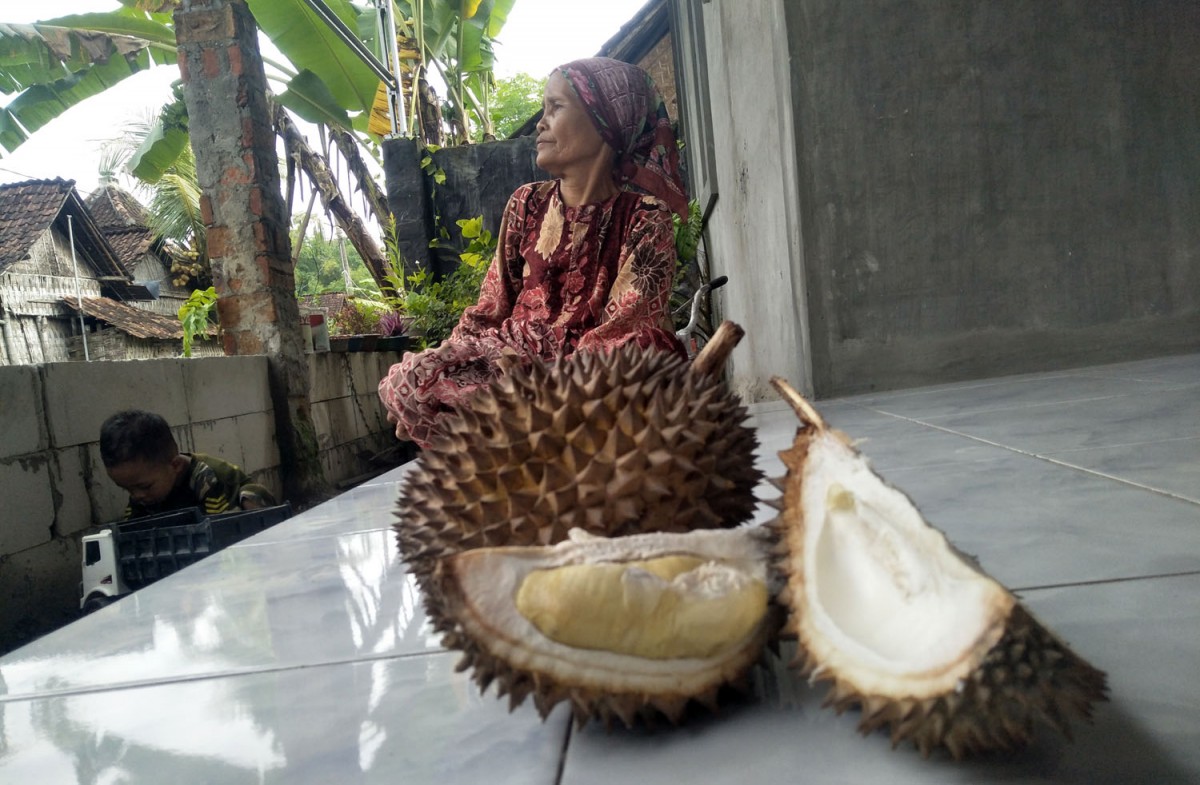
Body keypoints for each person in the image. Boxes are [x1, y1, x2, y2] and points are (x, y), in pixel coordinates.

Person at [379, 57, 690, 448]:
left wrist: (545, 383)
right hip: (511, 364)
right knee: (412, 381)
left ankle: (529, 436)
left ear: (604, 123)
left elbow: (627, 329)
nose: (541, 123)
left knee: (639, 364)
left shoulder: (645, 218)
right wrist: (450, 362)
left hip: (589, 374)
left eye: (556, 107)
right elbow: (491, 307)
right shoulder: (525, 203)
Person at [99, 409, 276, 518]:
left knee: (251, 494)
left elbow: (223, 523)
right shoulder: (144, 488)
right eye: (128, 490)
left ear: (176, 466)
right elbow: (131, 527)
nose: (137, 496)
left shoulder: (205, 478)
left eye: (144, 487)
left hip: (230, 508)